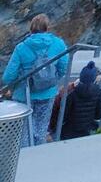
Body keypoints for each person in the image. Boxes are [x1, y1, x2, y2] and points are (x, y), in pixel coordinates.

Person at [2, 14, 69, 146]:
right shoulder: (58, 44)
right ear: (47, 28)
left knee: (24, 130)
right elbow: (63, 68)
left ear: (31, 29)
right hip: (48, 93)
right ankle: (38, 152)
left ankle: (25, 152)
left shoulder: (21, 47)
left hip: (25, 94)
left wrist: (13, 86)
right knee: (41, 126)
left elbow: (8, 76)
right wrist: (51, 80)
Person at [59, 61, 101, 141]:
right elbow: (99, 111)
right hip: (87, 127)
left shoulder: (72, 93)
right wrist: (95, 121)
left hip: (70, 128)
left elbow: (65, 111)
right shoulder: (99, 93)